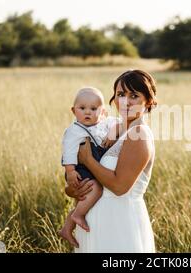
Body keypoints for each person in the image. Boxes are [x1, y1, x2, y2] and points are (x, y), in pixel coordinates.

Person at [65, 69, 158, 252]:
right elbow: (90, 177)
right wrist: (73, 189)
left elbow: (119, 187)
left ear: (147, 101)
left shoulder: (139, 135)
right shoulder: (111, 130)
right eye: (120, 94)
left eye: (134, 95)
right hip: (94, 222)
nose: (125, 101)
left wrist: (88, 159)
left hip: (120, 223)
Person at [59, 87, 118, 247]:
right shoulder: (74, 131)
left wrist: (113, 132)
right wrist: (70, 171)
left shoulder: (106, 122)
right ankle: (77, 216)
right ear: (73, 110)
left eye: (94, 109)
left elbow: (117, 123)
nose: (88, 112)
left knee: (89, 197)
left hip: (93, 166)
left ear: (103, 111)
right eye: (82, 108)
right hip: (79, 170)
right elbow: (69, 151)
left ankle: (68, 226)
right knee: (95, 189)